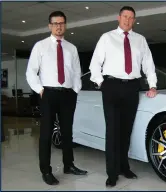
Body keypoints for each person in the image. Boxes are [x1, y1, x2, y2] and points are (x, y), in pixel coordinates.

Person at [89, 6, 158, 187]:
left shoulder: (140, 40)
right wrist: (100, 83)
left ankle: (123, 167)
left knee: (126, 131)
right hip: (111, 86)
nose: (128, 20)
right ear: (118, 18)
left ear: (134, 20)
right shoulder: (107, 37)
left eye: (131, 18)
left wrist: (152, 85)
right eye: (125, 16)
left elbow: (148, 64)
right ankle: (112, 173)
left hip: (132, 87)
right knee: (112, 132)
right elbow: (95, 63)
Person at [26, 11, 87, 186]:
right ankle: (46, 170)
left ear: (65, 25)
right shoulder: (40, 46)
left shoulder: (71, 48)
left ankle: (69, 165)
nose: (59, 26)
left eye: (61, 23)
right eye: (55, 23)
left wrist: (75, 89)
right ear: (50, 26)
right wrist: (40, 89)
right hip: (48, 94)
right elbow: (31, 72)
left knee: (67, 132)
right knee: (46, 134)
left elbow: (76, 72)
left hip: (68, 94)